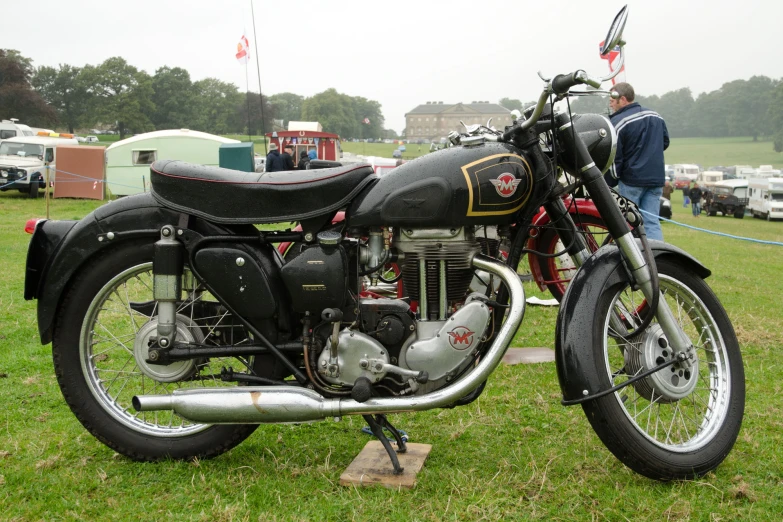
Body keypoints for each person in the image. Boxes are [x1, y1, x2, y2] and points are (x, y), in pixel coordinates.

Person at [609, 82, 670, 241]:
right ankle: (657, 259)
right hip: (656, 179)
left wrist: (613, 178)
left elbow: (615, 156)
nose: (610, 103)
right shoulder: (656, 116)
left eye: (612, 100)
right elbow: (665, 142)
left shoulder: (618, 123)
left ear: (622, 99)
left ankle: (631, 261)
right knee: (651, 222)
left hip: (631, 181)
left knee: (627, 223)